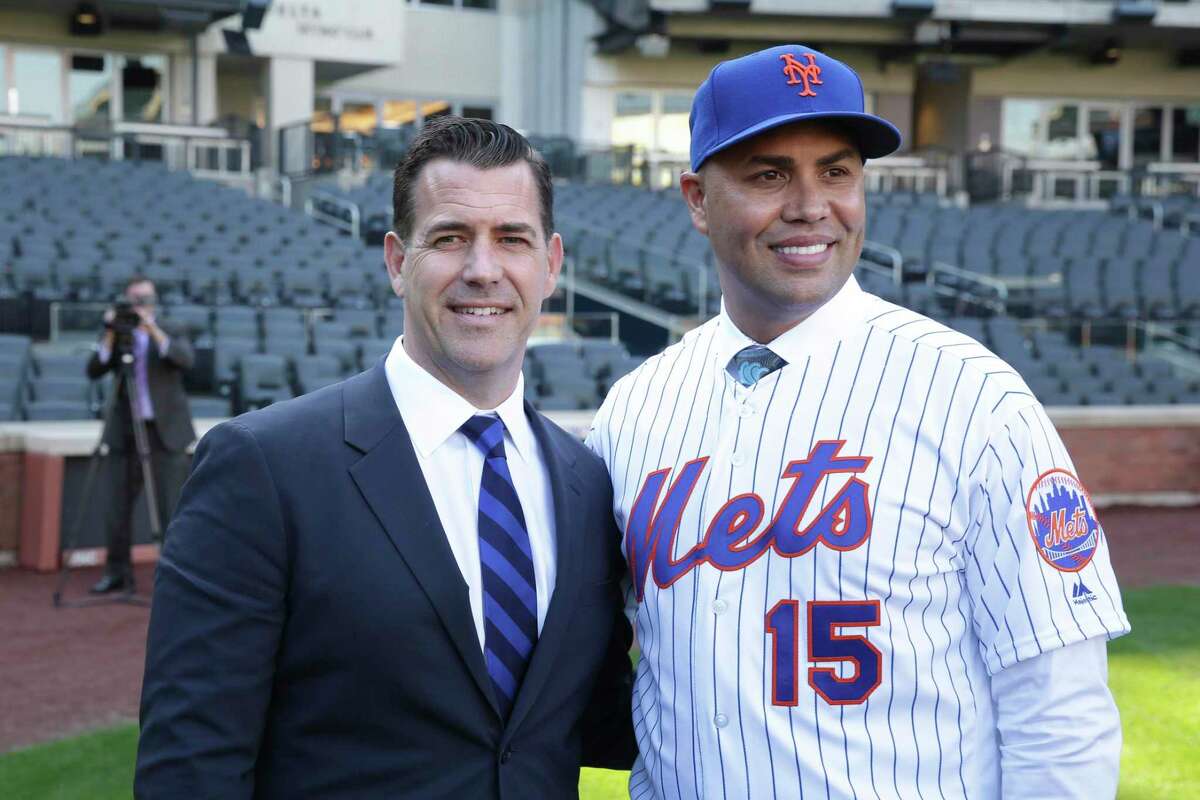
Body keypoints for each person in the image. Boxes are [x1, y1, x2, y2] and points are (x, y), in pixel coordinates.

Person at [587, 45, 1130, 800]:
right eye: (769, 174)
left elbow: (1059, 708)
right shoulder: (636, 410)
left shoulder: (974, 398)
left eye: (837, 171)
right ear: (697, 199)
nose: (811, 206)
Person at [135, 117, 636, 798]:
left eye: (511, 240)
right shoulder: (262, 467)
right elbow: (191, 765)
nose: (482, 270)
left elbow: (601, 723)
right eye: (451, 238)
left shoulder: (584, 482)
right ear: (399, 261)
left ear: (550, 265)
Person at [86, 275, 195, 594]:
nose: (139, 306)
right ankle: (117, 571)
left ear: (154, 300)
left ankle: (176, 575)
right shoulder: (117, 333)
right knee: (116, 508)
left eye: (144, 299)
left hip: (165, 433)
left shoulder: (172, 327)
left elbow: (184, 360)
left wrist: (151, 329)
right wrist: (109, 332)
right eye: (134, 300)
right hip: (126, 431)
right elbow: (94, 369)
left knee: (171, 507)